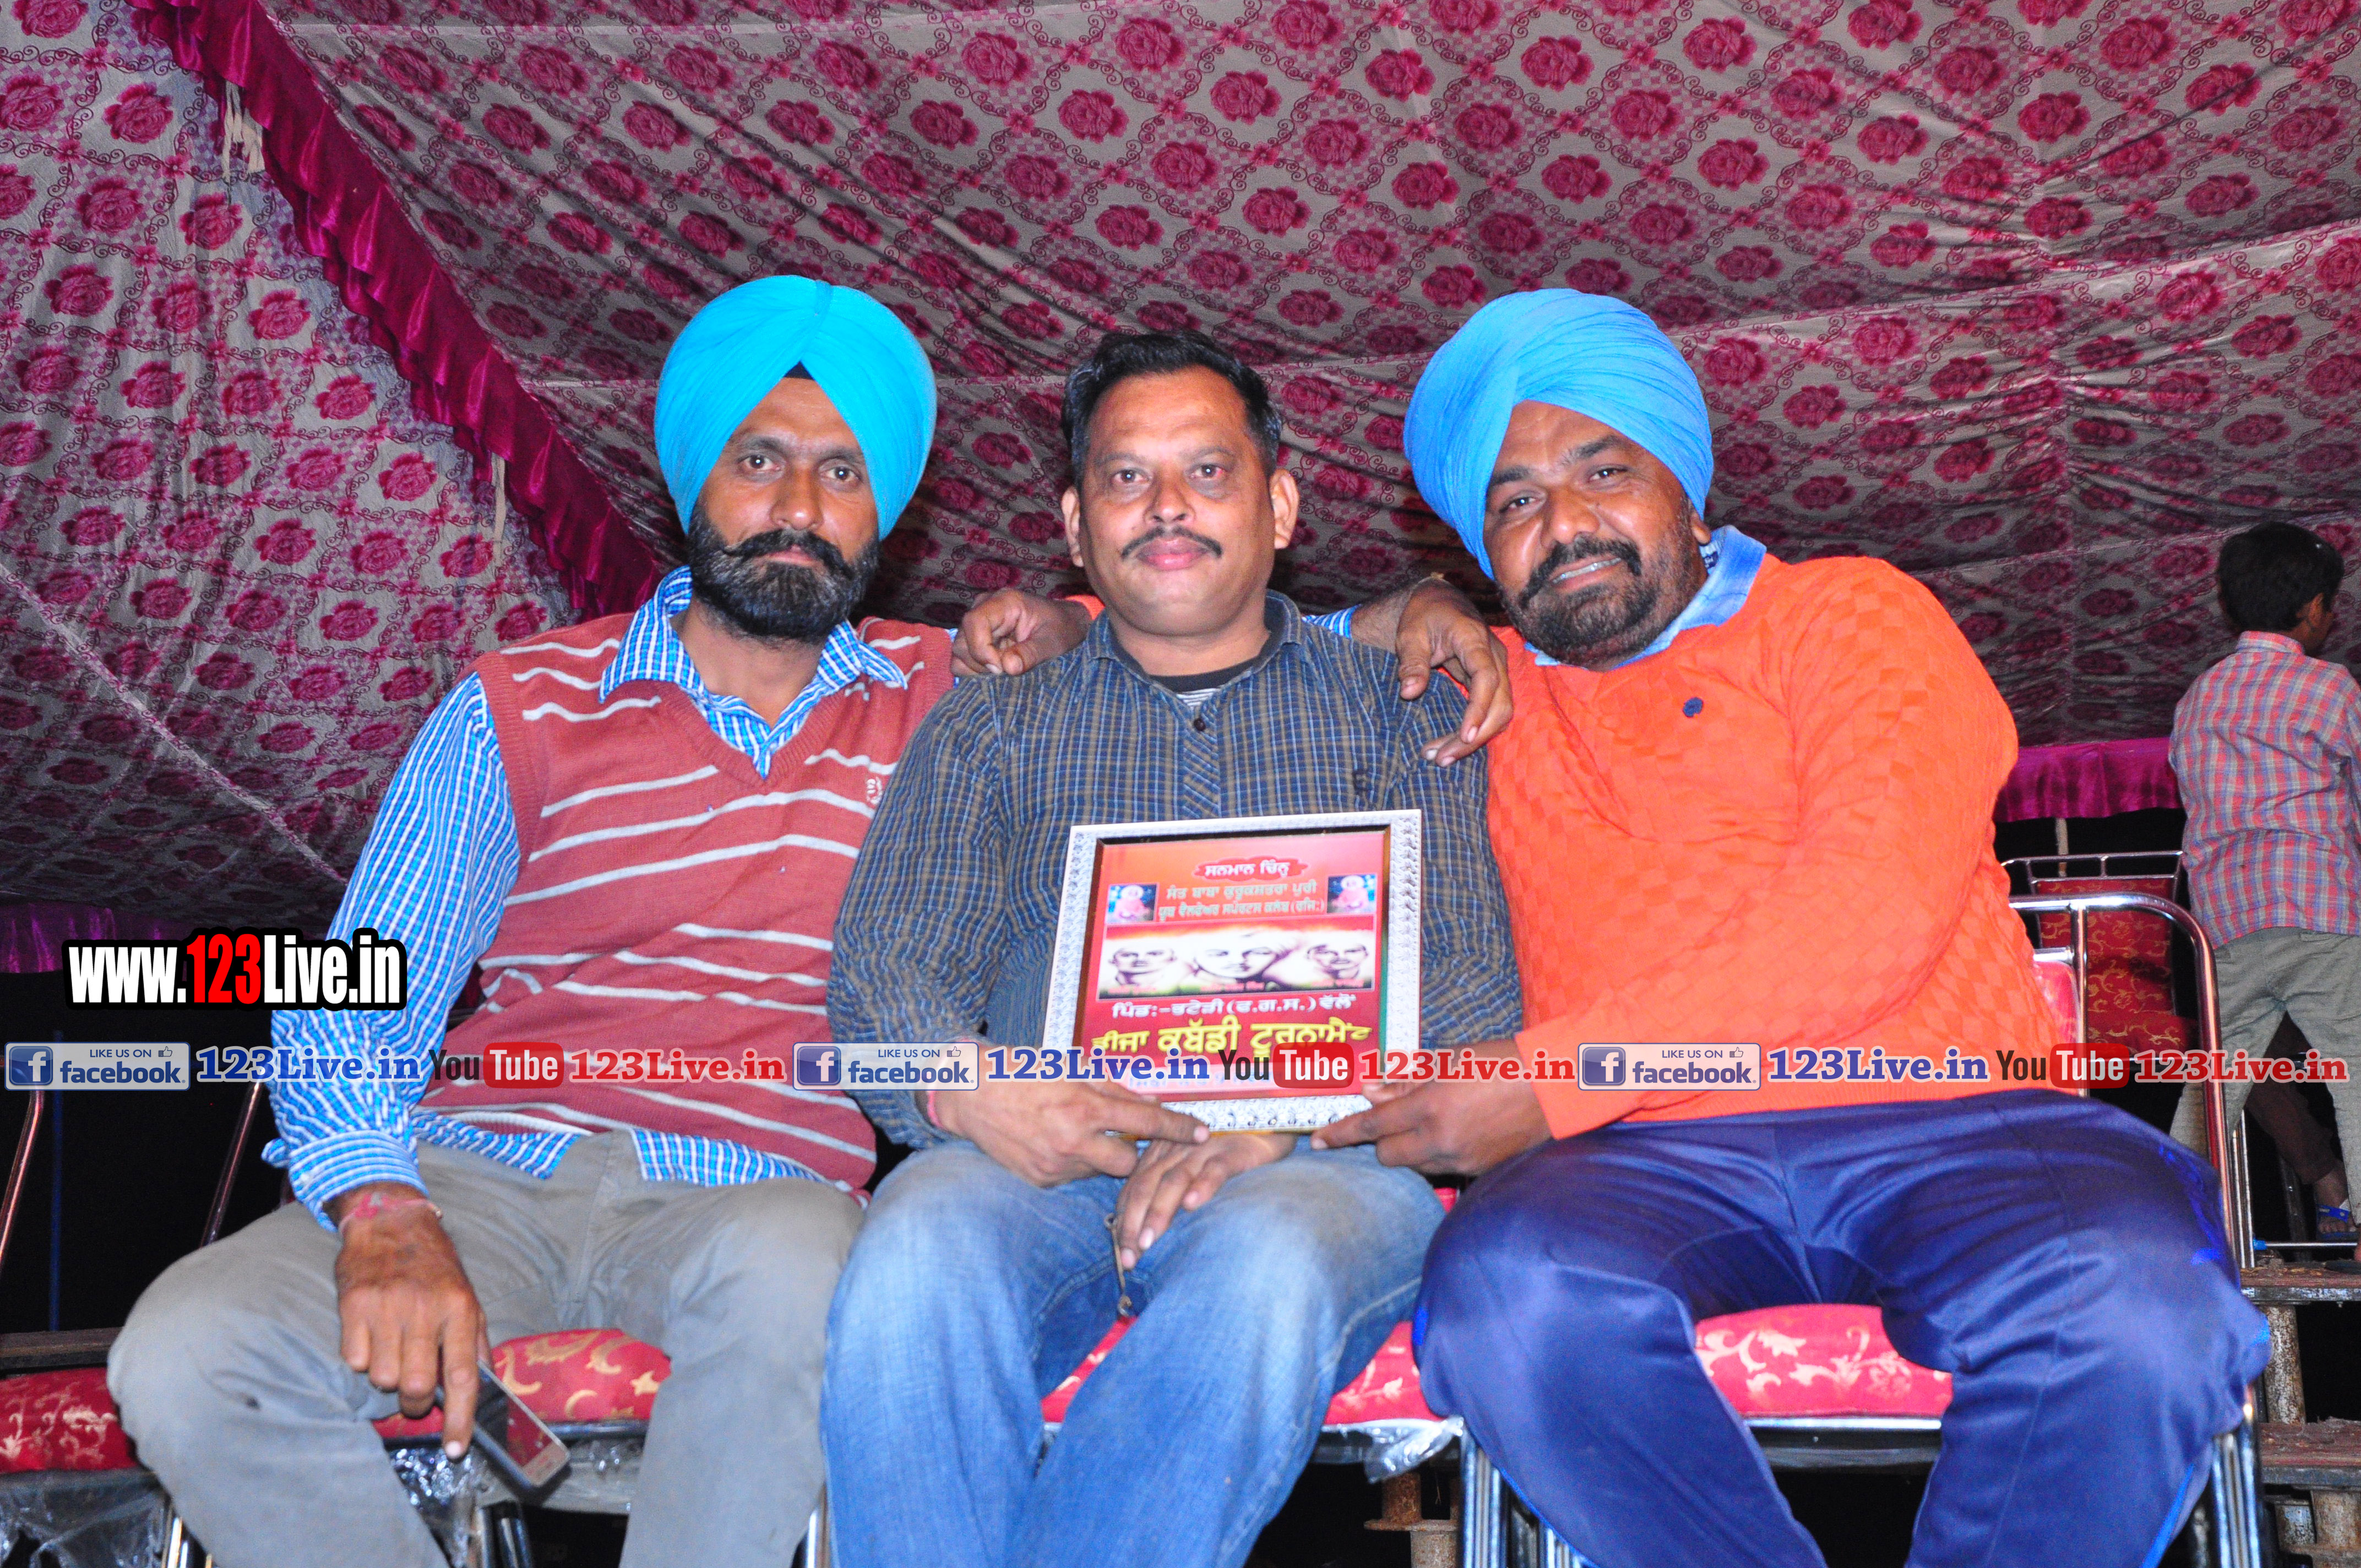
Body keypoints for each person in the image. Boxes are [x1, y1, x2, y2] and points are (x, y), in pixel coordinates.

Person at [1297, 290, 2267, 1568]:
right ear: (1482, 548)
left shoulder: (1850, 615)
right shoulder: (1484, 687)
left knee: (2131, 1305)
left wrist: (1554, 1075)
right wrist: (1388, 609)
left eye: (1602, 470)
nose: (1564, 522)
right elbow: (1186, 640)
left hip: (1952, 1115)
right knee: (1507, 1299)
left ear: (1685, 485)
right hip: (1637, 1156)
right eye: (1513, 499)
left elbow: (1869, 912)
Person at [106, 276, 950, 1568]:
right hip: (475, 1180)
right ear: (692, 480)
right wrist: (381, 1201)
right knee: (188, 1348)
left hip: (756, 1200)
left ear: (886, 506)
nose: (798, 506)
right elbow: (355, 989)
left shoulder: (945, 701)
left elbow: (1180, 635)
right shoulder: (525, 702)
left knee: (805, 1275)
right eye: (760, 459)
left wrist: (1073, 616)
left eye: (843, 471)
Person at [820, 329, 1523, 1568]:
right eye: (1125, 478)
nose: (1166, 508)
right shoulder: (995, 722)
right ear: (1075, 527)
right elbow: (885, 969)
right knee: (915, 1243)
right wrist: (969, 1089)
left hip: (1320, 1166)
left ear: (1280, 506)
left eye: (1207, 472)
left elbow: (1468, 984)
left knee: (1269, 1264)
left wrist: (1282, 1125)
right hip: (1037, 1165)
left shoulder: (1399, 705)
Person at [2168, 521, 2359, 1242]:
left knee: (2214, 1083)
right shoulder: (2329, 687)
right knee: (2356, 1069)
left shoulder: (2197, 700)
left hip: (2225, 920)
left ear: (2227, 604)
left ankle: (2168, 1230)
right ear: (2313, 609)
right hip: (2320, 908)